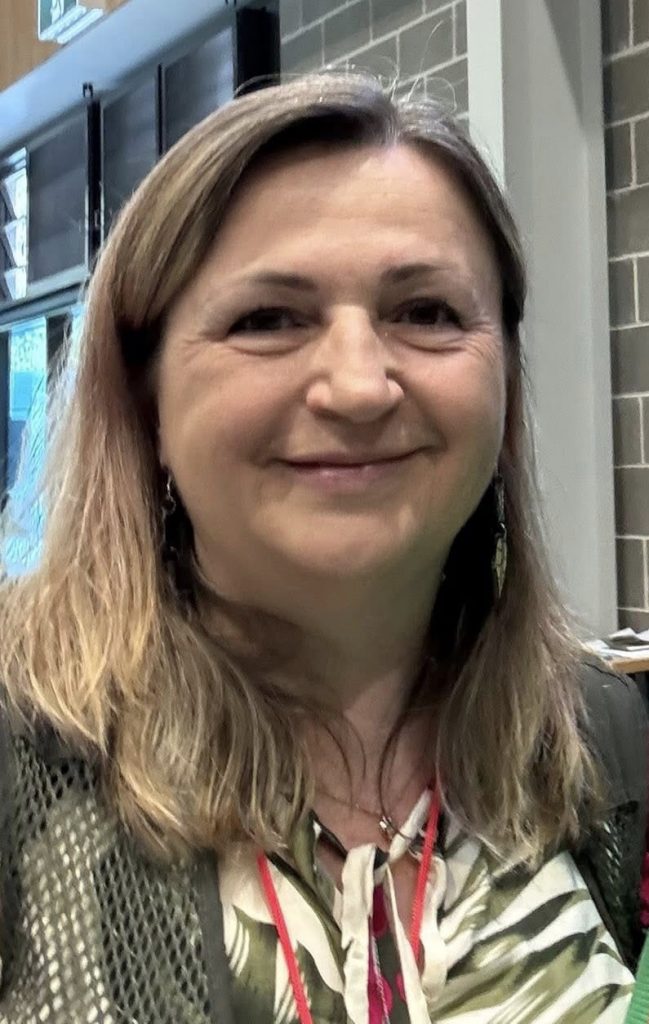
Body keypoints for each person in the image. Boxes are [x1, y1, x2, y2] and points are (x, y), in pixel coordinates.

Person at [0, 72, 645, 1024]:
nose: (357, 386)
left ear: (504, 382)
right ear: (144, 396)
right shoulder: (26, 751)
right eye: (269, 320)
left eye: (425, 312)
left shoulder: (599, 745)